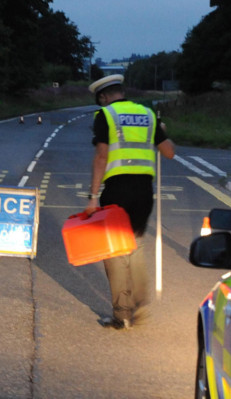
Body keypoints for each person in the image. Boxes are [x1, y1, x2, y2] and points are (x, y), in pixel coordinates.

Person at [85, 74, 175, 330]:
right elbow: (169, 152)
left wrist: (92, 197)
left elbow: (102, 157)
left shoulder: (106, 116)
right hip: (144, 192)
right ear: (122, 91)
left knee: (114, 252)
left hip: (117, 192)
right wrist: (162, 132)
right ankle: (141, 304)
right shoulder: (148, 114)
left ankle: (122, 315)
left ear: (103, 96)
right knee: (135, 246)